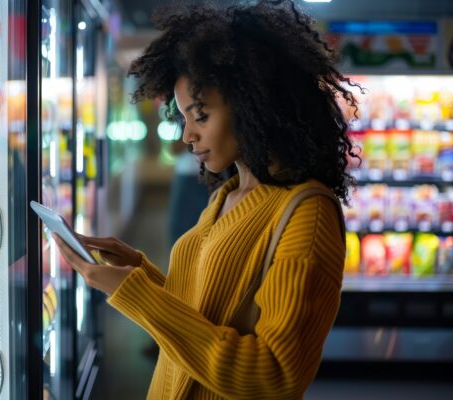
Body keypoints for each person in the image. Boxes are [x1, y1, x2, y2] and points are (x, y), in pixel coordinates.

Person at [53, 1, 360, 398]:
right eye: (183, 118)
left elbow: (274, 377)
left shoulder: (308, 214)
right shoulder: (227, 194)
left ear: (254, 105)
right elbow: (206, 316)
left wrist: (137, 294)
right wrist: (140, 273)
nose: (187, 136)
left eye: (201, 116)